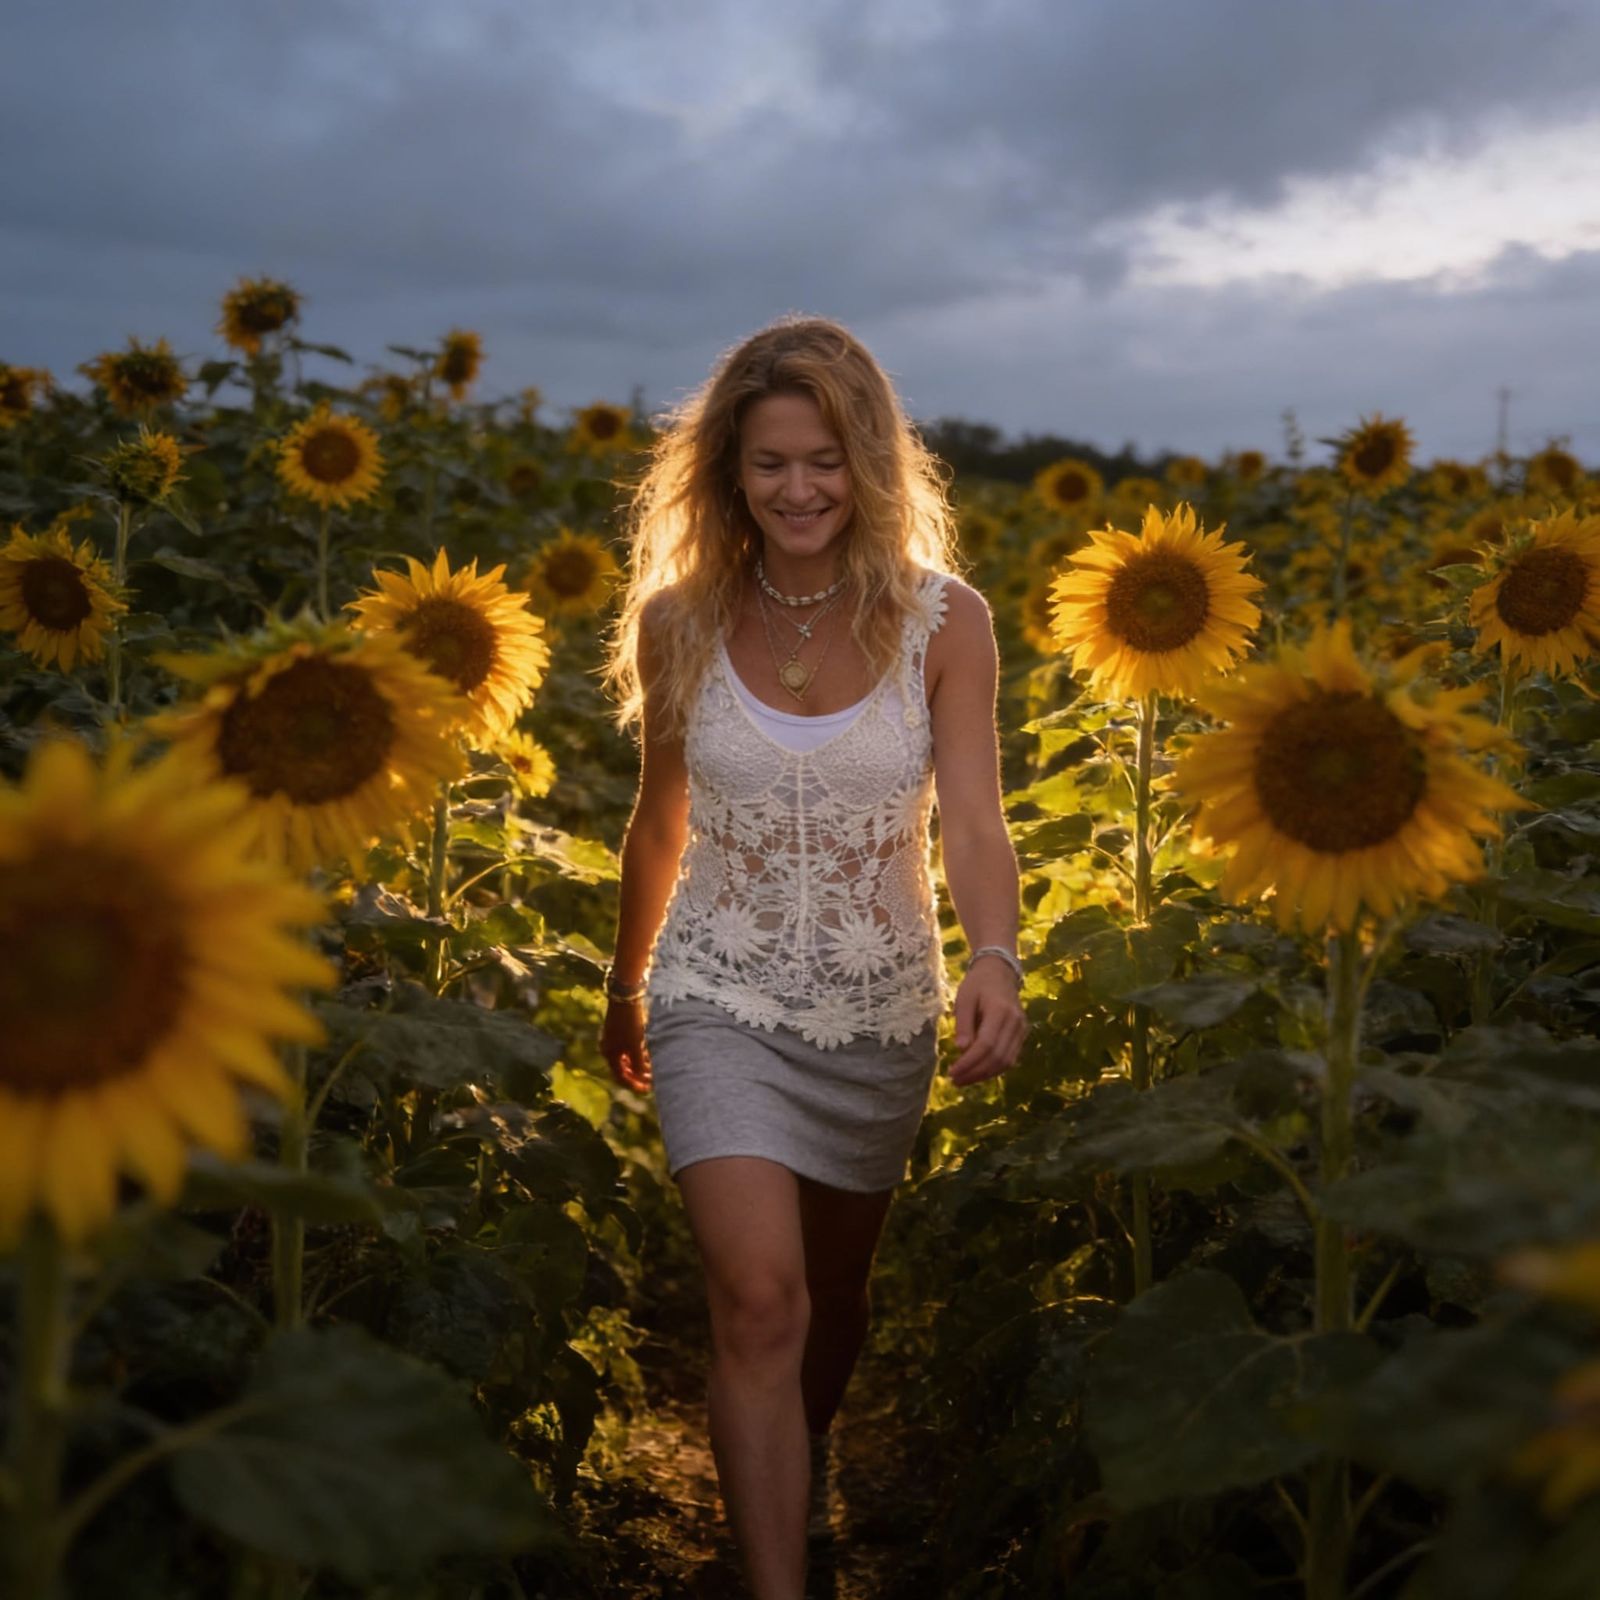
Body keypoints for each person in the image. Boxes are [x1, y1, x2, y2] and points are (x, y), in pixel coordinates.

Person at [599, 315, 1025, 1600]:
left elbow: (973, 816)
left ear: (872, 465)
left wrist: (995, 955)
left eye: (824, 461)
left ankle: (807, 1445)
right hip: (712, 992)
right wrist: (625, 983)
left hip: (876, 1007)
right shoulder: (678, 619)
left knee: (832, 1300)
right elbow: (658, 821)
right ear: (729, 471)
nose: (798, 489)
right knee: (762, 1297)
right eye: (770, 462)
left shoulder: (946, 623)